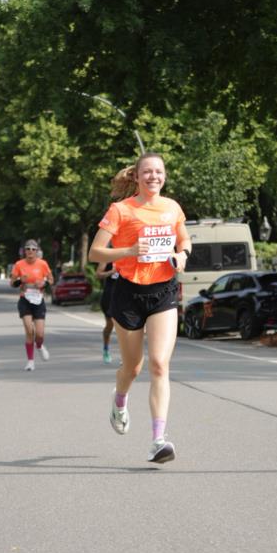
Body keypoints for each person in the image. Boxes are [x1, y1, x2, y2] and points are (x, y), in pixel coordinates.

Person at [88, 152, 191, 464]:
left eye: (159, 171)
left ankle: (158, 439)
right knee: (132, 367)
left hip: (163, 291)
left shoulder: (172, 208)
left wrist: (182, 255)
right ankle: (120, 401)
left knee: (159, 364)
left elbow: (184, 241)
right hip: (129, 293)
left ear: (164, 175)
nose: (154, 177)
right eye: (147, 172)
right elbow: (95, 253)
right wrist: (130, 250)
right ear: (136, 176)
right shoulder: (121, 210)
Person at [9, 240, 54, 371]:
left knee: (39, 334)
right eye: (28, 248)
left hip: (38, 300)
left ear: (37, 251)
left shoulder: (43, 264)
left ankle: (39, 346)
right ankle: (30, 361)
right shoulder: (19, 264)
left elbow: (51, 279)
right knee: (29, 330)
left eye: (33, 249)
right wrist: (19, 281)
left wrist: (44, 284)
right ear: (24, 251)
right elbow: (12, 283)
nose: (30, 251)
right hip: (25, 300)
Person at [96, 260, 118, 363]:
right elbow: (98, 274)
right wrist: (112, 272)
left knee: (125, 326)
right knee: (110, 324)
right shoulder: (107, 256)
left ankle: (125, 355)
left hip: (125, 295)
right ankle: (106, 349)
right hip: (110, 295)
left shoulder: (129, 254)